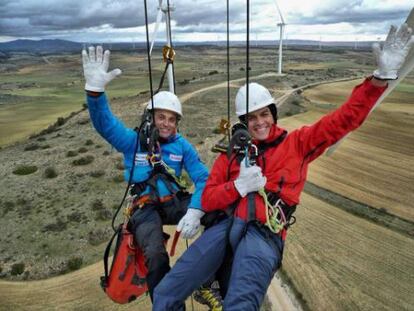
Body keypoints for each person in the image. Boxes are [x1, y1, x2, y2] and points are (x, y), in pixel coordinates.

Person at [152, 23, 413, 310]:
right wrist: (238, 186)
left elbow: (342, 121)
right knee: (166, 293)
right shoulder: (231, 155)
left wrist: (378, 81)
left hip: (264, 234)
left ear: (273, 115)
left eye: (264, 114)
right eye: (252, 118)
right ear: (244, 123)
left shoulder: (297, 144)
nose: (259, 122)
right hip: (226, 225)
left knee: (240, 304)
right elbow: (210, 197)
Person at [81, 46, 209, 301]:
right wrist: (95, 94)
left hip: (173, 202)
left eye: (172, 119)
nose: (166, 123)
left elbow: (204, 179)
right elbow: (105, 125)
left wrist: (196, 209)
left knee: (220, 212)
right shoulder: (132, 142)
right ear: (150, 118)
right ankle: (167, 306)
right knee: (155, 254)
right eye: (161, 117)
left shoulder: (182, 146)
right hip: (144, 209)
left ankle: (209, 282)